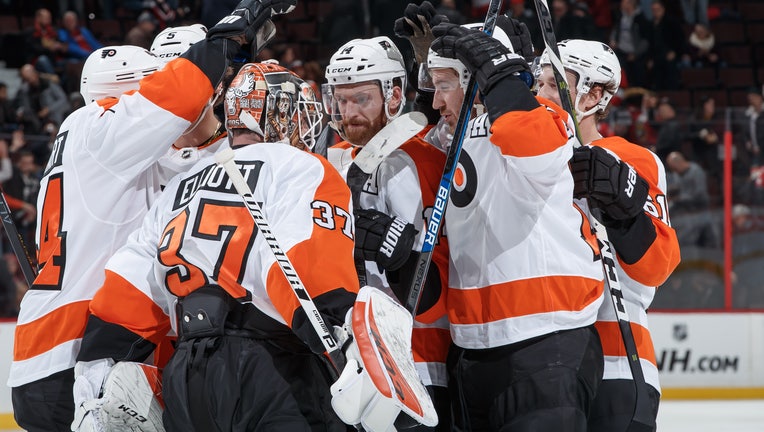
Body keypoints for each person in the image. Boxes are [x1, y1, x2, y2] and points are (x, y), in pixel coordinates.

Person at [9, 1, 297, 430]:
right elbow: (178, 99)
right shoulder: (103, 127)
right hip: (75, 355)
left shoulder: (99, 148)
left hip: (49, 350)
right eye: (149, 84)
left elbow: (188, 167)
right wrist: (225, 38)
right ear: (126, 92)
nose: (154, 92)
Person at [73, 61, 360, 431]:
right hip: (271, 365)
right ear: (277, 117)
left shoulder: (180, 186)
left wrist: (97, 371)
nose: (307, 128)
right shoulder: (303, 165)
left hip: (188, 378)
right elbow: (306, 263)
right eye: (299, 115)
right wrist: (344, 341)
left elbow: (129, 288)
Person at [430, 17, 605, 431]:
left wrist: (500, 67)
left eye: (445, 86)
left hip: (546, 341)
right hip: (474, 349)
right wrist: (434, 59)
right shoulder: (457, 135)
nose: (435, 102)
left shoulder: (544, 116)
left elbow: (534, 147)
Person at [537, 39, 680, 432]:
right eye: (538, 84)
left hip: (617, 354)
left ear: (595, 94)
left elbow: (657, 269)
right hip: (540, 360)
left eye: (554, 85)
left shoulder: (633, 158)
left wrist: (623, 211)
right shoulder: (525, 160)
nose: (540, 95)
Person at [323, 31, 452, 430]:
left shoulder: (423, 159)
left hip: (417, 362)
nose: (349, 112)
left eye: (361, 98)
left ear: (393, 96)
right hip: (357, 359)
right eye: (341, 100)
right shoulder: (339, 161)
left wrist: (398, 252)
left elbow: (436, 287)